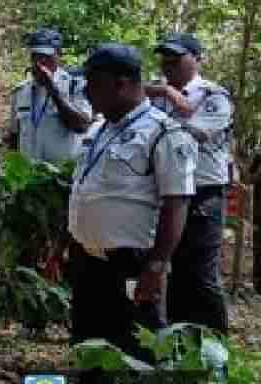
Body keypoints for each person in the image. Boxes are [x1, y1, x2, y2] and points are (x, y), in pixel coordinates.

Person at [67, 43, 195, 365]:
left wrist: (156, 265)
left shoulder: (163, 132)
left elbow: (176, 203)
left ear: (121, 83)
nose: (87, 92)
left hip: (132, 263)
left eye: (94, 84)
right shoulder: (98, 130)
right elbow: (82, 190)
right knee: (89, 345)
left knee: (137, 351)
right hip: (87, 260)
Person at [146, 32, 232, 333]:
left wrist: (168, 95)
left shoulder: (214, 96)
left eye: (177, 56)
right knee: (175, 269)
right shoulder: (154, 93)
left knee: (201, 275)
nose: (168, 62)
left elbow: (194, 133)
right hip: (168, 191)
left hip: (203, 193)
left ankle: (216, 347)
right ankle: (181, 340)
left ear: (196, 59)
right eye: (165, 56)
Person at [4, 27, 93, 162]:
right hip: (29, 176)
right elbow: (14, 137)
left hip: (62, 177)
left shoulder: (75, 86)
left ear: (58, 55)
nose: (40, 62)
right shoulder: (21, 91)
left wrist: (52, 88)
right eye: (35, 56)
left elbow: (81, 126)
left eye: (46, 56)